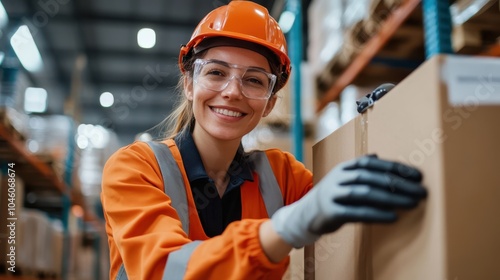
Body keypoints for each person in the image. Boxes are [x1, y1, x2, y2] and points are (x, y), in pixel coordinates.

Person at [101, 1, 427, 279]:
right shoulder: (135, 169)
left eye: (254, 81)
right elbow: (165, 270)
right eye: (216, 72)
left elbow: (359, 196)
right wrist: (282, 230)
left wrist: (395, 123)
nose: (232, 92)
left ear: (270, 102)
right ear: (189, 84)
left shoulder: (281, 176)